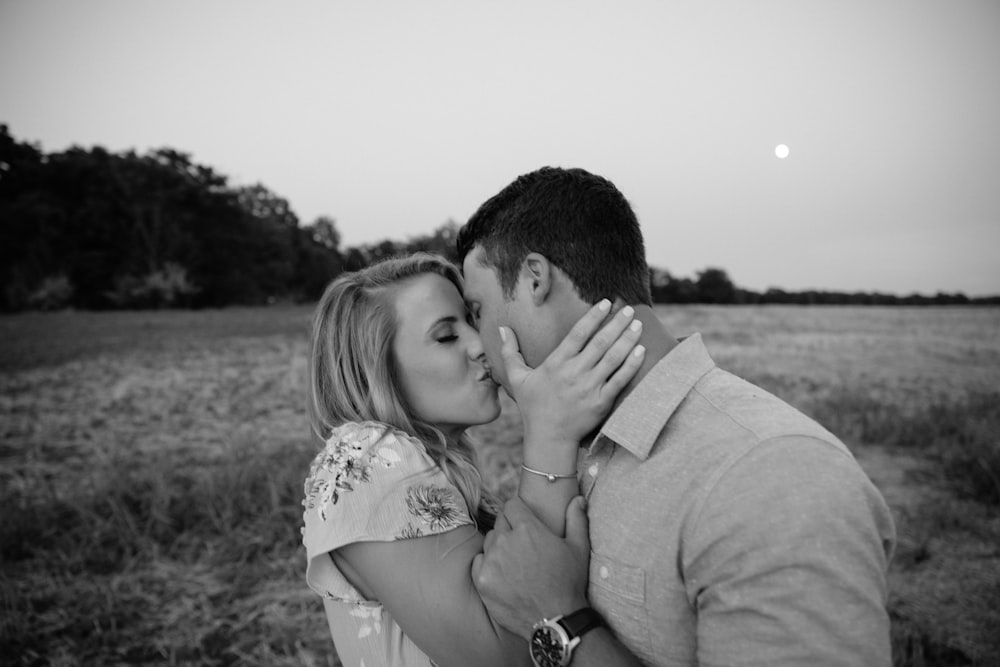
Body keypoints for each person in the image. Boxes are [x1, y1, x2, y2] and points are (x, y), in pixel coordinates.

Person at [460, 166, 897, 666]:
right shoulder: (571, 445)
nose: (477, 343)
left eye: (477, 309)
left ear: (534, 279)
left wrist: (557, 623)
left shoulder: (772, 474)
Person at [301, 252, 646, 666]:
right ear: (375, 369)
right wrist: (550, 433)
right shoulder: (367, 457)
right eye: (446, 336)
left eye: (472, 319)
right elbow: (506, 649)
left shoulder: (424, 465)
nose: (481, 344)